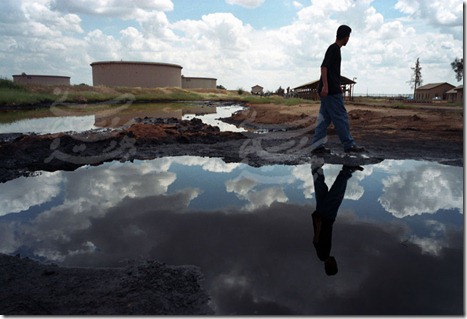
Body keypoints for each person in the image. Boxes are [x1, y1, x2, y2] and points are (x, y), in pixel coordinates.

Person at [311, 25, 365, 154]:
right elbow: (324, 67)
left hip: (329, 90)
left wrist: (330, 85)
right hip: (330, 92)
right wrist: (326, 86)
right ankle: (349, 145)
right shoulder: (334, 49)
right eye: (349, 37)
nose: (348, 40)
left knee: (324, 119)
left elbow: (330, 71)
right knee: (341, 117)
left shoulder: (335, 49)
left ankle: (317, 146)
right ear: (346, 37)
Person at [311, 162, 363, 276]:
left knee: (336, 195)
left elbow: (315, 241)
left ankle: (347, 170)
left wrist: (319, 224)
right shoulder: (323, 255)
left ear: (331, 265)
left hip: (326, 218)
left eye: (335, 264)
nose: (336, 262)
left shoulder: (323, 255)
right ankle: (316, 167)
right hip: (322, 216)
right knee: (321, 189)